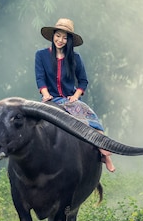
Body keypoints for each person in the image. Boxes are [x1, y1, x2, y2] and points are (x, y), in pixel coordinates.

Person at [35, 18, 116, 172]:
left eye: (65, 37)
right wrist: (45, 95)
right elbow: (40, 78)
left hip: (69, 100)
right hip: (49, 99)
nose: (60, 40)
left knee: (90, 117)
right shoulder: (41, 55)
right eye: (58, 35)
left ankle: (105, 153)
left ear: (69, 40)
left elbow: (83, 81)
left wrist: (76, 96)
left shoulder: (75, 58)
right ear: (53, 35)